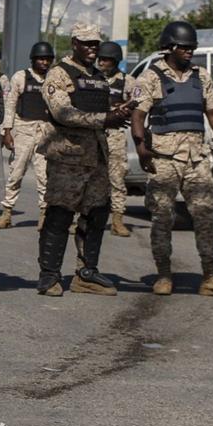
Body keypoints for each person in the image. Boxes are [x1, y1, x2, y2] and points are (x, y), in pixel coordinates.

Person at [130, 21, 213, 297]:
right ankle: (164, 275)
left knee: (205, 215)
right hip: (163, 157)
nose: (189, 52)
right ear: (169, 48)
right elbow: (138, 116)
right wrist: (141, 147)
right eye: (184, 47)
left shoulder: (201, 76)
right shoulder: (151, 77)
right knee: (162, 217)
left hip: (196, 158)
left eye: (192, 47)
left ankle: (211, 277)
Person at [37, 23, 132, 296]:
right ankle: (49, 275)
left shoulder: (98, 77)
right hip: (68, 157)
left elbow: (98, 110)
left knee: (97, 212)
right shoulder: (59, 74)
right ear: (74, 43)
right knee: (60, 213)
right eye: (86, 43)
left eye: (95, 44)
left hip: (97, 157)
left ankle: (86, 273)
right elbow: (62, 113)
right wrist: (105, 118)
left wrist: (119, 112)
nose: (92, 48)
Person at [0, 41, 55, 227]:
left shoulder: (54, 79)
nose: (44, 63)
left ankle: (45, 214)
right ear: (33, 59)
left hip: (45, 131)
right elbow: (10, 105)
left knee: (44, 175)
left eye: (47, 59)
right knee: (16, 172)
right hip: (23, 128)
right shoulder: (21, 77)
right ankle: (7, 213)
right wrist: (6, 131)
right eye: (41, 59)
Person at [96, 39, 132, 237]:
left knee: (117, 176)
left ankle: (117, 220)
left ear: (115, 61)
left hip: (115, 135)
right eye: (100, 59)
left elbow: (138, 101)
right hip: (94, 131)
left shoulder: (127, 81)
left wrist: (123, 110)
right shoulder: (91, 78)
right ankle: (82, 219)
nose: (101, 63)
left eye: (106, 60)